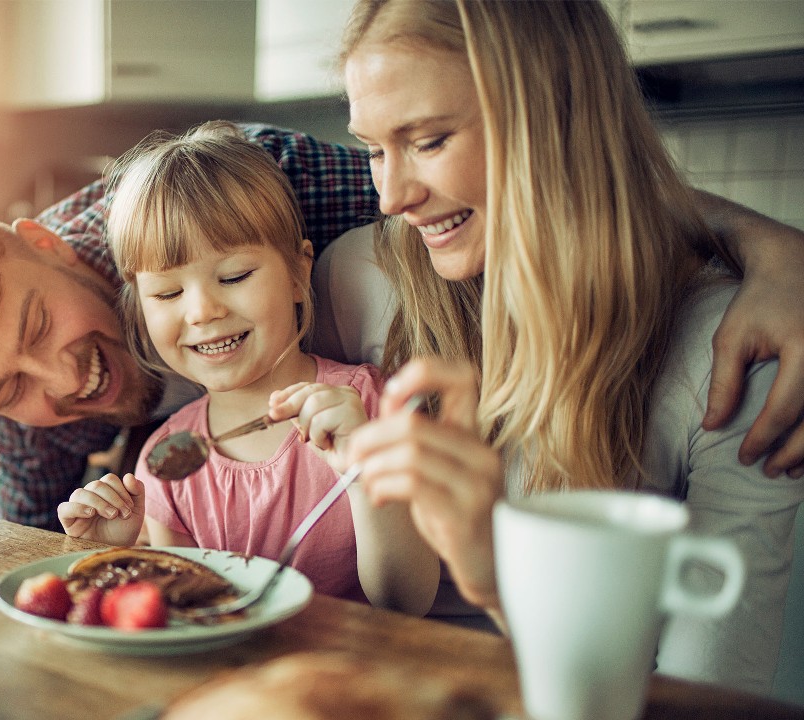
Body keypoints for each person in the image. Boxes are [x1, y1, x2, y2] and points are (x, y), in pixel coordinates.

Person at [0, 122, 804, 532]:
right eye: (8, 391)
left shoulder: (248, 188)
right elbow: (51, 568)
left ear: (43, 241)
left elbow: (523, 204)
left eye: (43, 321)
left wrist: (766, 246)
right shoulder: (11, 402)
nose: (64, 381)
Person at [322, 0, 803, 693]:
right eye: (372, 148)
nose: (391, 193)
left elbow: (710, 702)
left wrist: (494, 578)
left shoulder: (733, 359)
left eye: (428, 141)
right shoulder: (355, 279)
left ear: (552, 122)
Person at [56, 122, 436, 608]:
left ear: (299, 273)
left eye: (233, 276)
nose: (201, 311)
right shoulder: (167, 462)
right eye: (168, 292)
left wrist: (365, 477)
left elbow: (407, 603)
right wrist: (112, 551)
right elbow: (189, 618)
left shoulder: (373, 410)